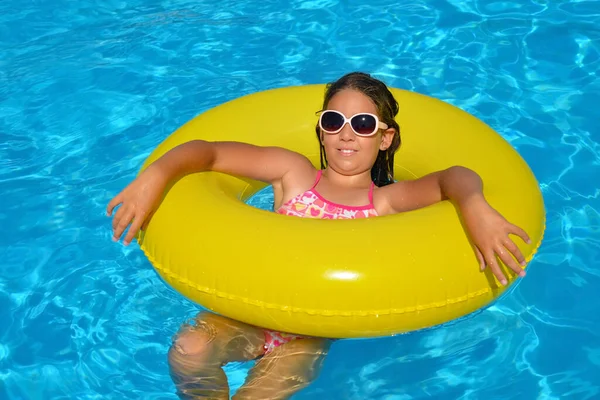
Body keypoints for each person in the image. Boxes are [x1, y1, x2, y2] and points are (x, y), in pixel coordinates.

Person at [107, 72, 531, 399]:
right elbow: (209, 151)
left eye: (363, 123)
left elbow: (453, 178)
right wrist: (155, 176)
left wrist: (475, 208)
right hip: (244, 312)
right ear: (322, 131)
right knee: (189, 347)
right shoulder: (292, 175)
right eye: (334, 121)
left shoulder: (384, 203)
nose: (347, 133)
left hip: (307, 335)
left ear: (386, 139)